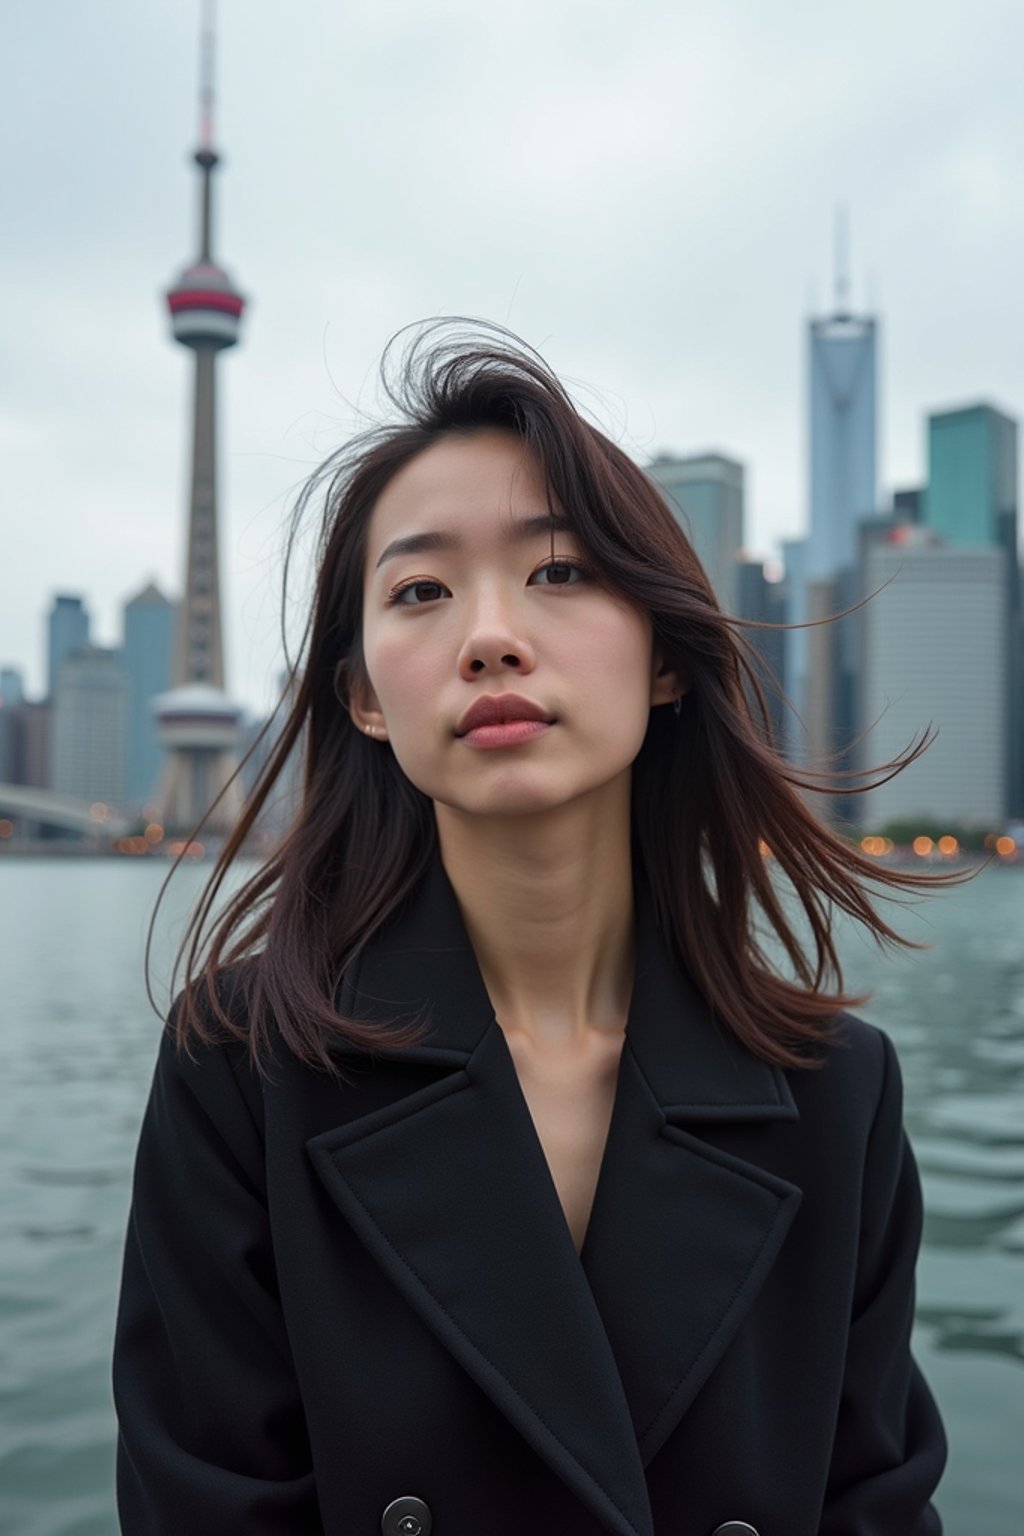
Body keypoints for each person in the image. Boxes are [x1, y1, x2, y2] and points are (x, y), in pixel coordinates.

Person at [113, 321, 968, 1536]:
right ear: (362, 697)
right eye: (420, 590)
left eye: (559, 571)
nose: (489, 635)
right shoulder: (242, 1066)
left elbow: (873, 1504)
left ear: (666, 657)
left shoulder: (835, 1095)